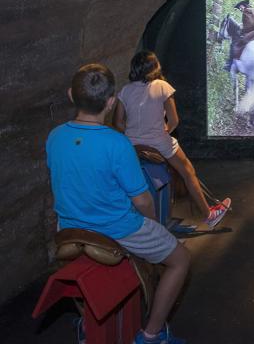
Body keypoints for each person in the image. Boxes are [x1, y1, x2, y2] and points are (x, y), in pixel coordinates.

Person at [46, 63, 189, 344]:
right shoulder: (117, 144)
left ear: (71, 96)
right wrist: (155, 225)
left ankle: (88, 322)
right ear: (111, 103)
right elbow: (142, 199)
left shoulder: (54, 137)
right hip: (116, 229)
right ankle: (151, 334)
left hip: (69, 229)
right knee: (180, 261)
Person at [114, 51, 230, 229]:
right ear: (154, 67)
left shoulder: (125, 90)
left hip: (132, 144)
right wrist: (162, 131)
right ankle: (209, 215)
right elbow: (174, 120)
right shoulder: (162, 86)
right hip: (158, 142)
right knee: (187, 171)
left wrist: (134, 133)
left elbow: (118, 122)